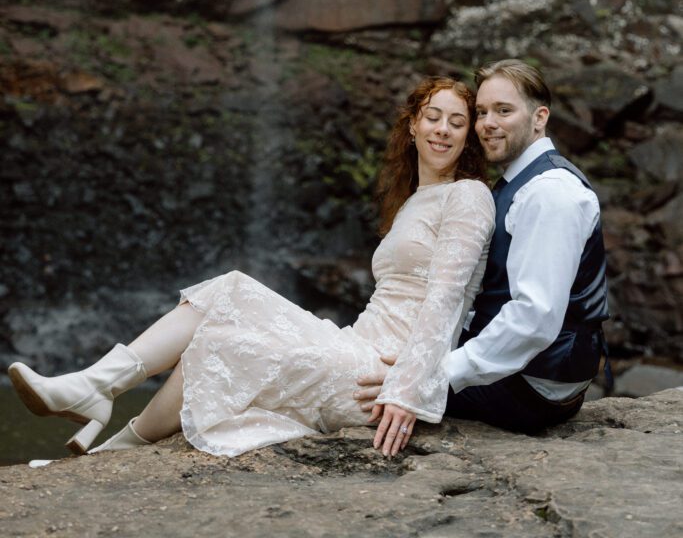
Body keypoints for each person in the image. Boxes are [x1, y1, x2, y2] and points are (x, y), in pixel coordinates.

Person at [9, 77, 495, 462]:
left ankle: (94, 390)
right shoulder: (413, 200)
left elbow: (446, 299)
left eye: (457, 122)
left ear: (468, 135)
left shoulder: (468, 195)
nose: (442, 130)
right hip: (356, 346)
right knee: (217, 338)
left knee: (231, 288)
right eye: (433, 117)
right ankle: (109, 447)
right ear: (412, 125)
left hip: (380, 377)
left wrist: (411, 386)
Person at [355, 59, 609, 435]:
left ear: (539, 118)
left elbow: (534, 318)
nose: (487, 123)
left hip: (535, 387)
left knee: (358, 391)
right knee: (371, 368)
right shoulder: (514, 184)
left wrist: (437, 375)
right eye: (482, 112)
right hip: (520, 368)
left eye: (503, 111)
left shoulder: (551, 193)